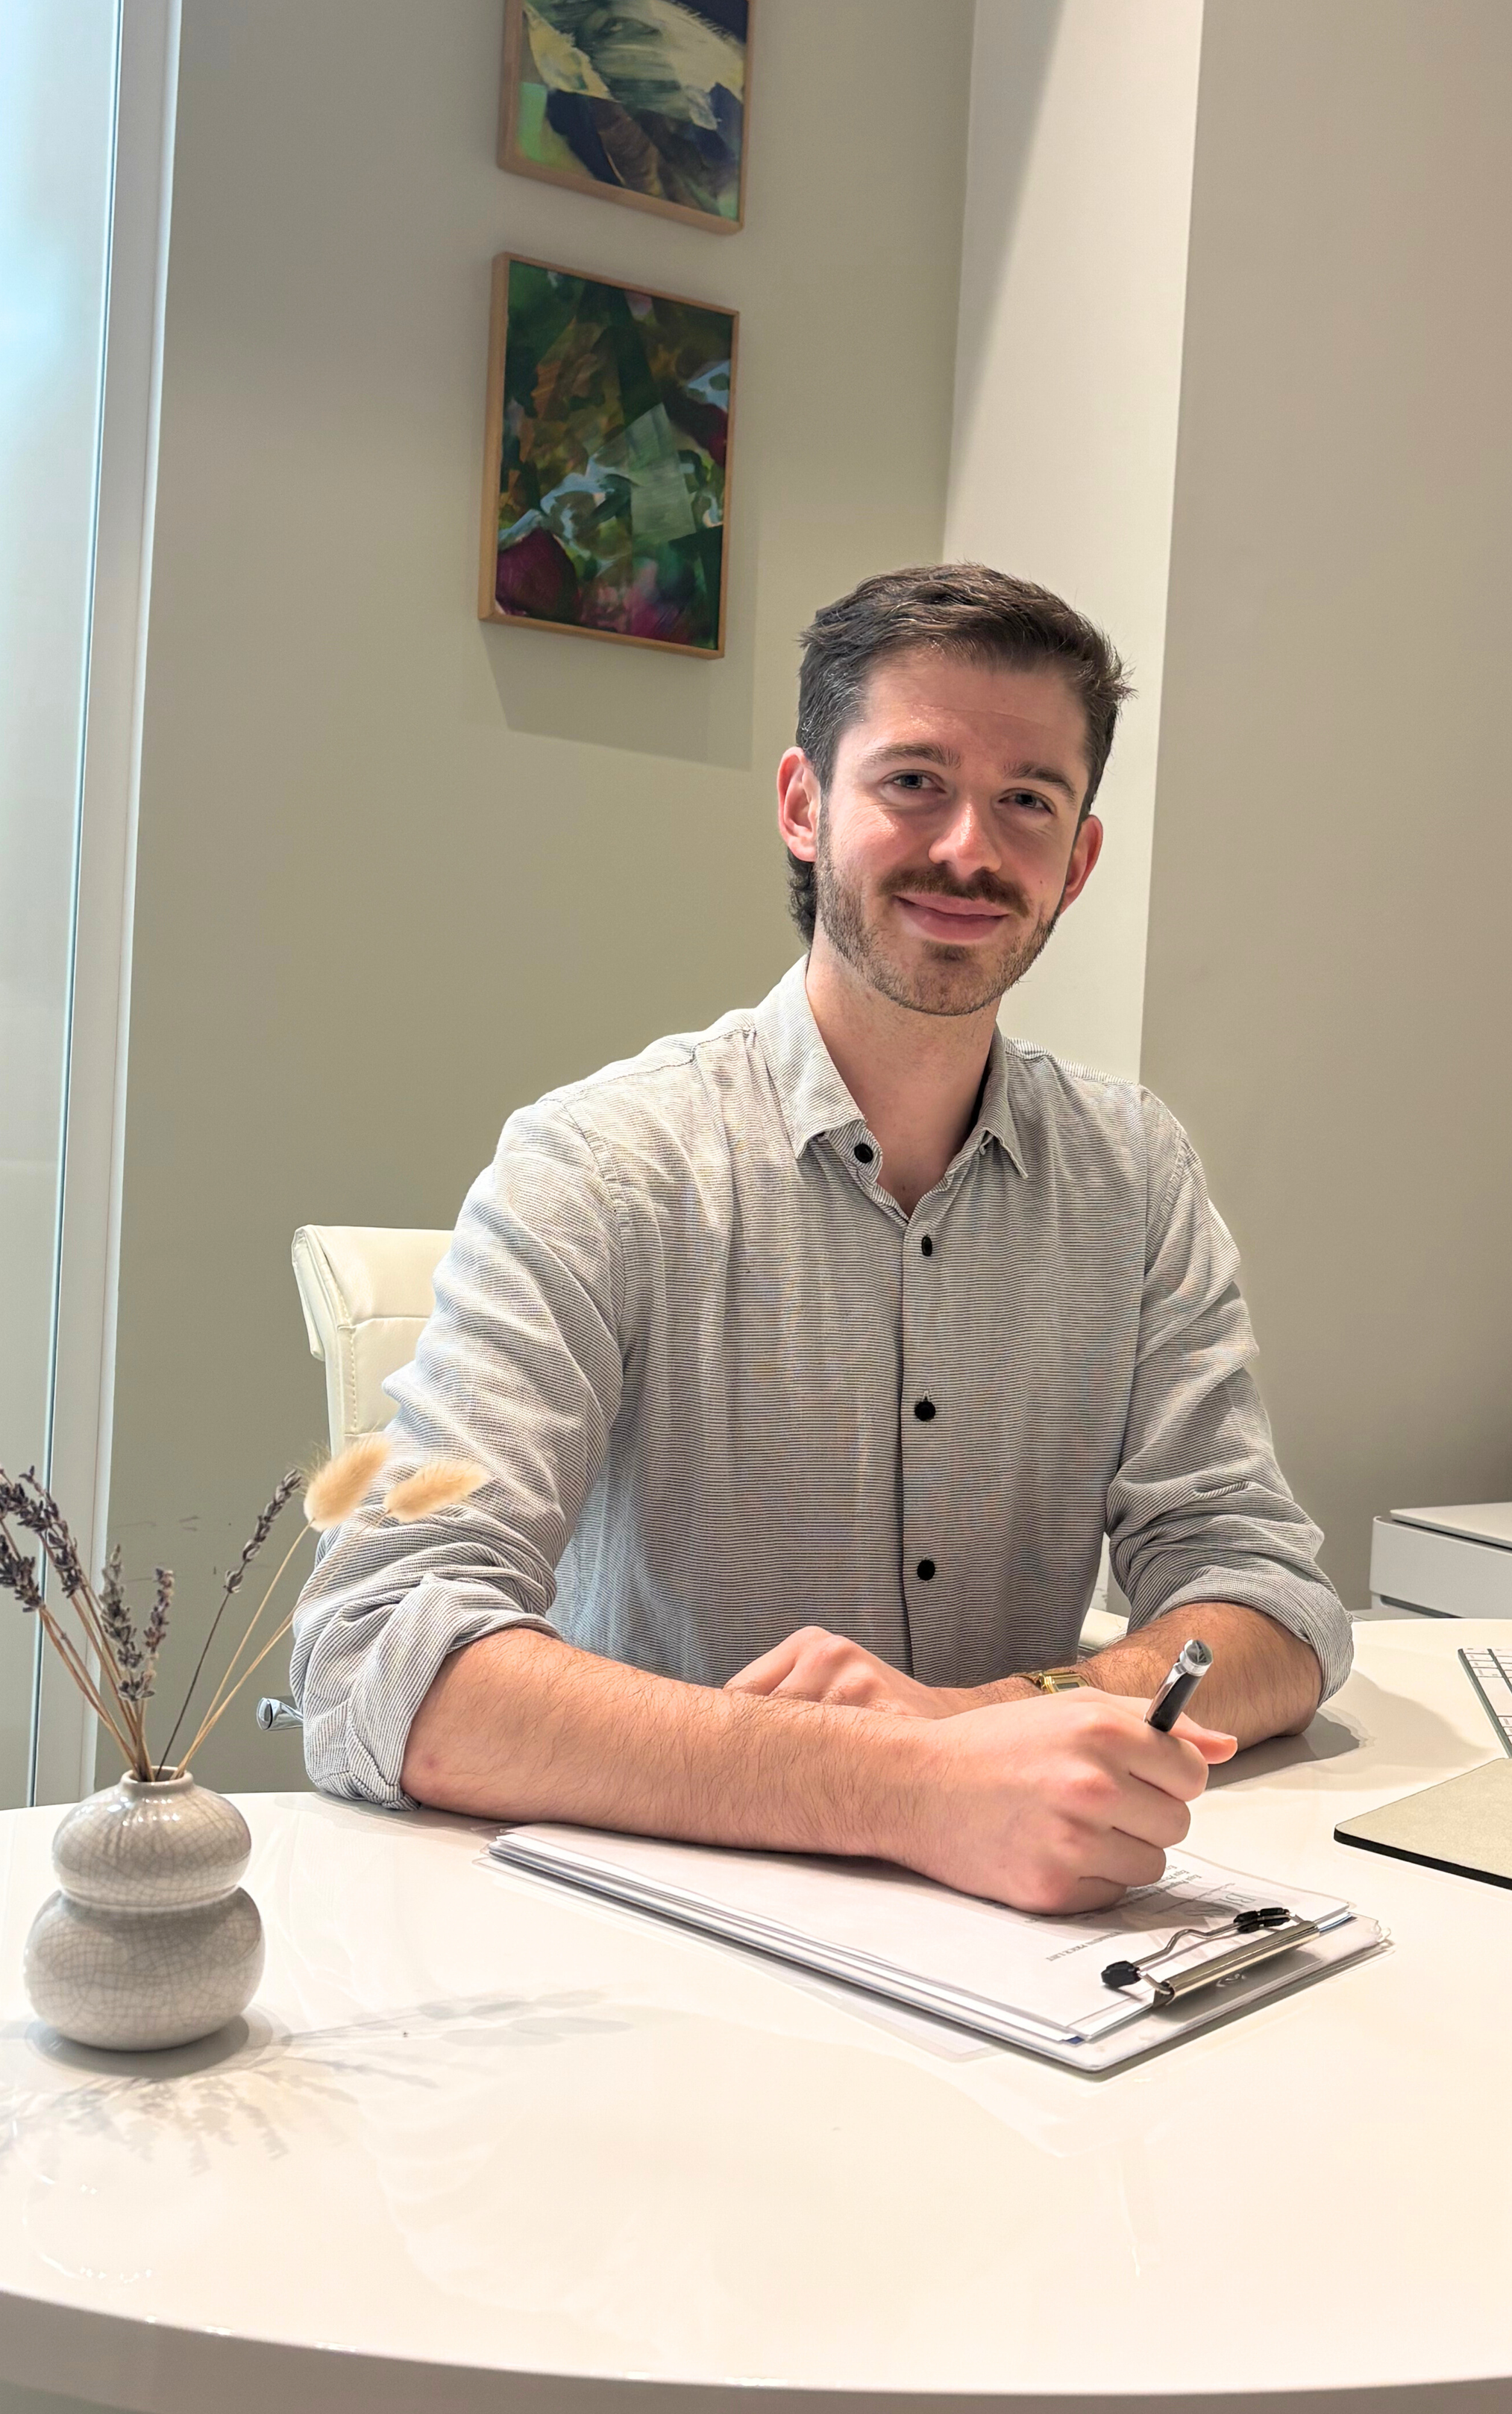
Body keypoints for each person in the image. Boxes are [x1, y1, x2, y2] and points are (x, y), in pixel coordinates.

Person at [292, 565, 1350, 1913]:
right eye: (913, 780)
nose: (969, 848)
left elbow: (1269, 1598)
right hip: (654, 1933)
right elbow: (372, 1652)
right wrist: (902, 1782)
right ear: (805, 806)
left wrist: (990, 1717)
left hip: (1019, 1934)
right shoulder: (603, 1164)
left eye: (1027, 800)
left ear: (1076, 860)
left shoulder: (1132, 1175)